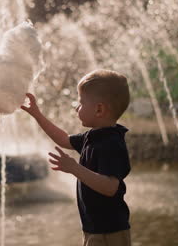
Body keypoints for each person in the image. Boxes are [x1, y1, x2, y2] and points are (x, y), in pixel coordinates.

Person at [21, 69, 131, 246]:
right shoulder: (92, 137)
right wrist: (37, 114)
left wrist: (74, 168)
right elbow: (63, 139)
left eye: (81, 102)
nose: (76, 107)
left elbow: (110, 187)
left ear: (99, 109)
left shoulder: (111, 143)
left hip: (109, 232)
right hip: (94, 228)